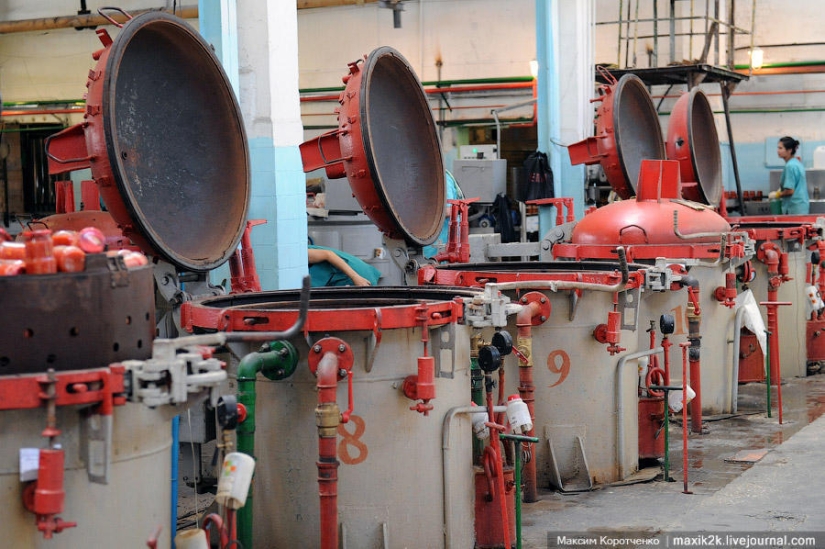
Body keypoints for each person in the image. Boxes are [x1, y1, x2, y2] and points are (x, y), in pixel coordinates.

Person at [308, 244, 381, 287]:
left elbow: (328, 254)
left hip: (358, 277)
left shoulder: (299, 253)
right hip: (351, 278)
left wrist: (355, 277)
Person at [770, 136, 809, 215]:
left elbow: (790, 191)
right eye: (778, 148)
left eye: (781, 148)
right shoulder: (796, 163)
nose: (778, 151)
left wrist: (777, 194)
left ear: (789, 150)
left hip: (794, 208)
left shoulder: (790, 166)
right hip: (801, 206)